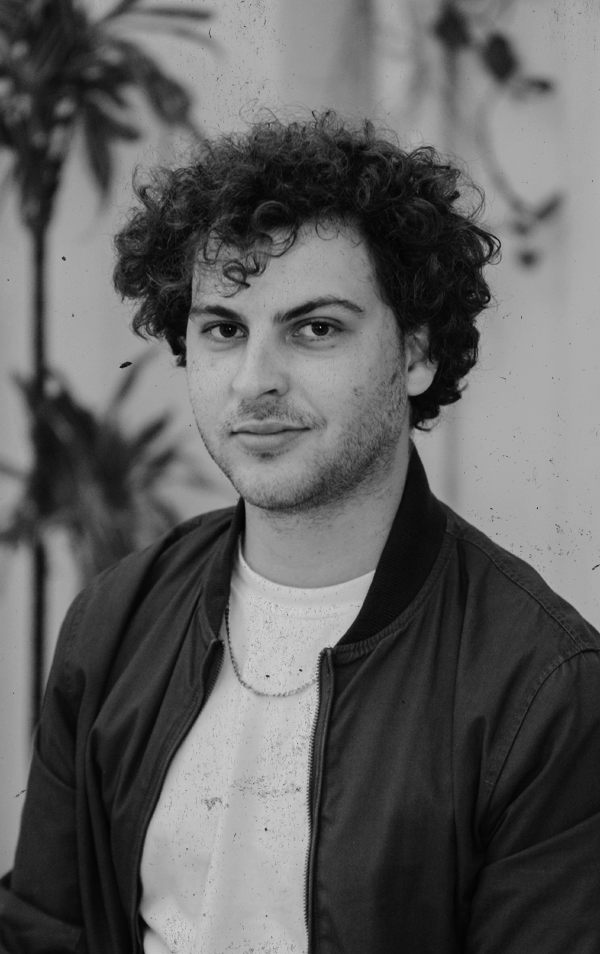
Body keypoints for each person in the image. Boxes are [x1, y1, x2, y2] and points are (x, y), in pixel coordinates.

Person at [1, 112, 599, 954]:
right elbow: (43, 930)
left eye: (315, 328)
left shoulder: (541, 688)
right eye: (224, 330)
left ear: (417, 353)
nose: (256, 383)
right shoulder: (115, 622)